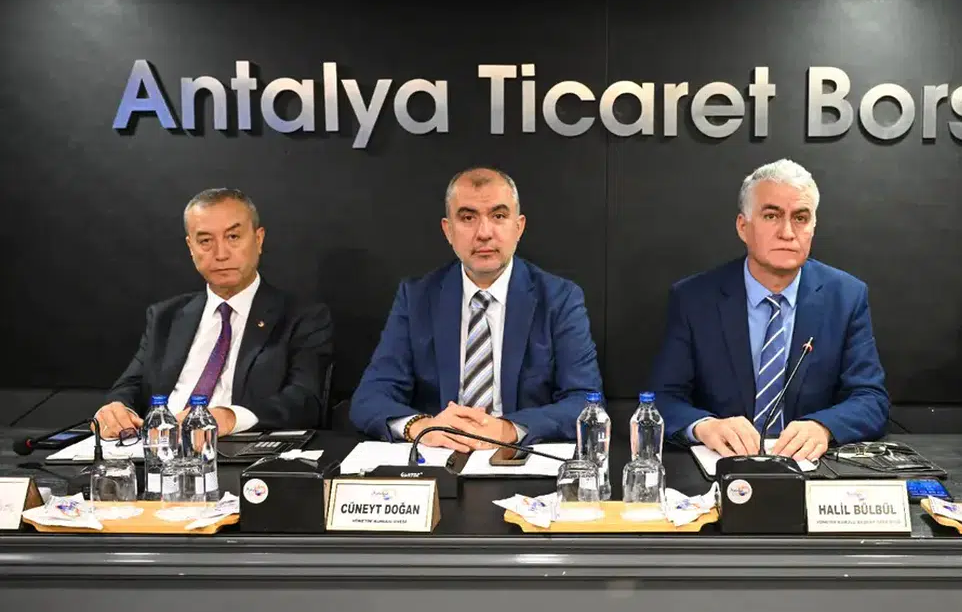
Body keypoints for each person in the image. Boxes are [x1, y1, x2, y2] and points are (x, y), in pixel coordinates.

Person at [649, 159, 890, 462]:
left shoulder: (846, 296)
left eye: (800, 218)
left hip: (810, 469)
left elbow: (871, 399)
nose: (787, 232)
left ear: (813, 228)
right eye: (771, 216)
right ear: (743, 227)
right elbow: (661, 399)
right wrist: (704, 426)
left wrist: (824, 427)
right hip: (722, 466)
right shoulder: (694, 299)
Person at [349, 167, 602, 450]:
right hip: (440, 455)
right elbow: (369, 397)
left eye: (498, 216)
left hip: (516, 457)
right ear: (448, 230)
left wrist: (508, 429)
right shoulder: (417, 297)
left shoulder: (559, 299)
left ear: (518, 227)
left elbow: (586, 402)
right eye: (468, 218)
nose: (484, 233)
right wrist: (421, 427)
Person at [95, 188, 334, 437]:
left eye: (233, 237)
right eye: (206, 241)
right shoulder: (166, 316)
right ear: (191, 247)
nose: (220, 254)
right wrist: (117, 409)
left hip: (234, 445)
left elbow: (305, 400)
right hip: (157, 446)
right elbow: (130, 385)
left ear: (258, 239)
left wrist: (229, 417)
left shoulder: (302, 317)